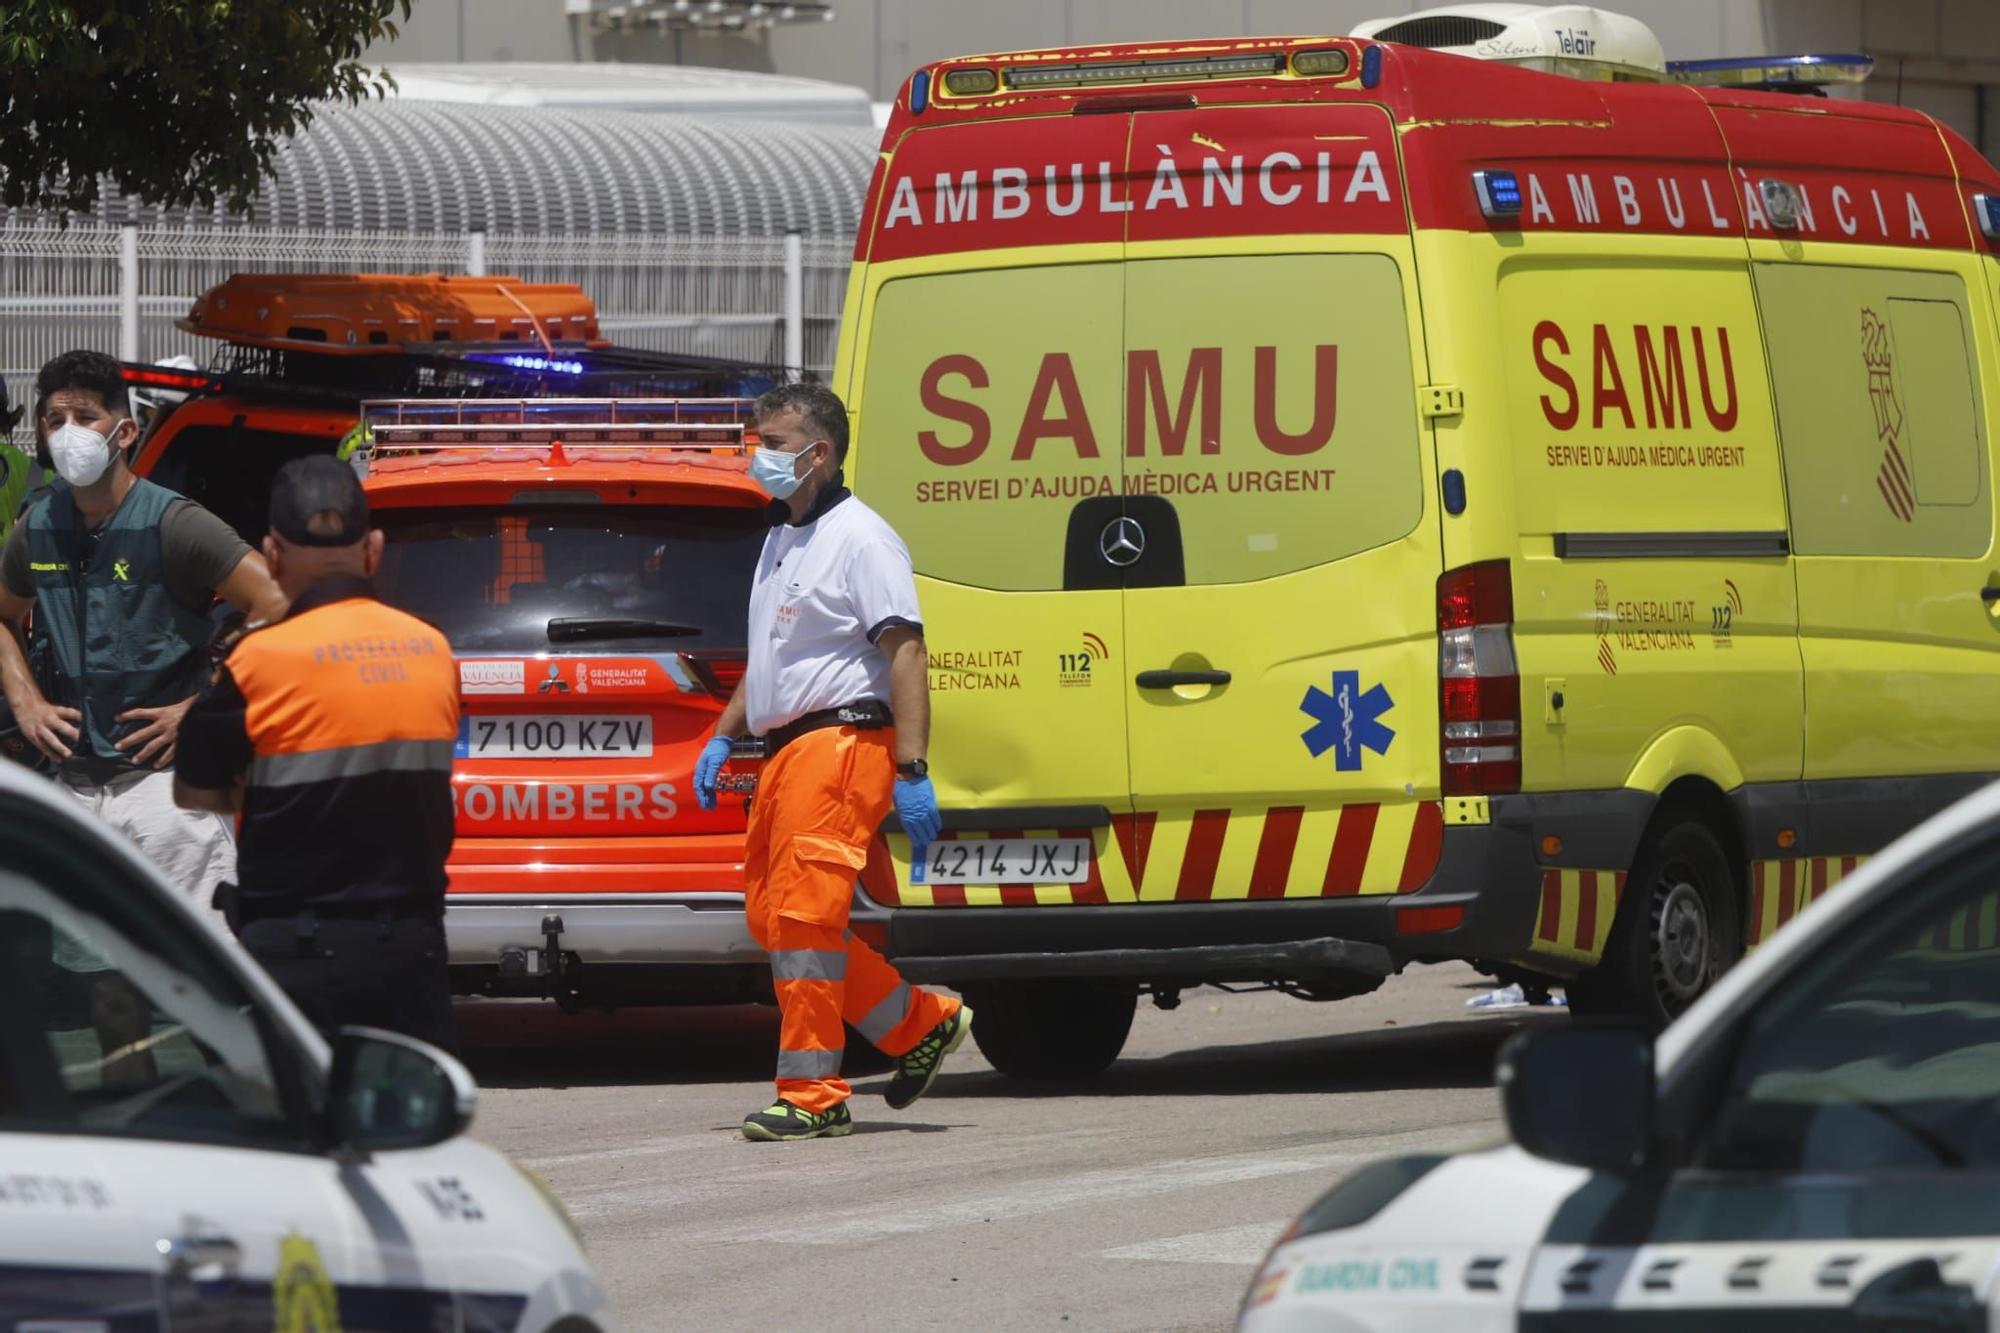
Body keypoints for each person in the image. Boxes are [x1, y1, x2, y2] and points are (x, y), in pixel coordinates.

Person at [695, 383, 969, 1142]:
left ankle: (814, 1092)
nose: (760, 456)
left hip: (842, 744)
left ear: (819, 453)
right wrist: (724, 732)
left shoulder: (862, 538)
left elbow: (905, 651)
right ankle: (920, 1023)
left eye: (774, 443)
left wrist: (912, 769)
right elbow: (773, 659)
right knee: (772, 918)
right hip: (786, 752)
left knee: (807, 922)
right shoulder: (783, 536)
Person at [174, 456, 462, 1052]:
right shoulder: (433, 649)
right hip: (411, 947)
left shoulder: (256, 659)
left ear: (272, 556)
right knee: (406, 1129)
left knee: (295, 1133)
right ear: (374, 549)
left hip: (295, 951)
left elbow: (193, 791)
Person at [0, 350, 287, 923]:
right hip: (76, 789)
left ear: (126, 431)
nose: (68, 434)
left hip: (166, 791)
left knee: (198, 976)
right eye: (55, 421)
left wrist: (205, 705)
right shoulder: (39, 526)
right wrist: (26, 702)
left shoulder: (172, 522)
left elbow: (279, 603)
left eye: (86, 418)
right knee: (107, 983)